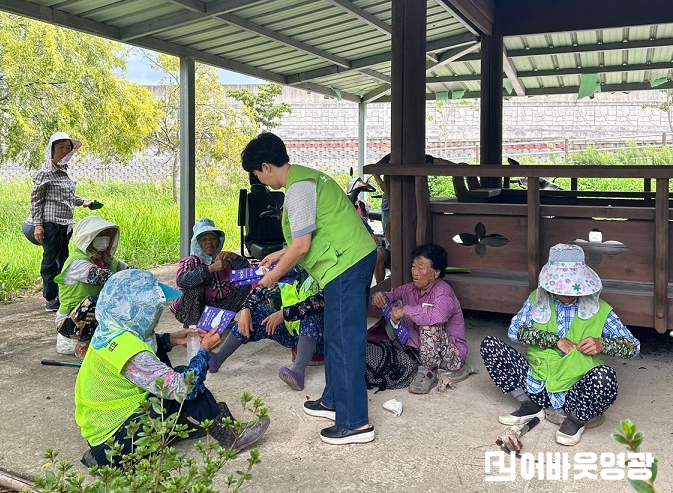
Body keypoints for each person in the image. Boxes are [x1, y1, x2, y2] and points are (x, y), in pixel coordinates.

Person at [241, 132, 377, 445]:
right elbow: (308, 235)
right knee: (333, 335)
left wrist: (270, 278)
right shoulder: (305, 179)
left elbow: (301, 246)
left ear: (266, 166)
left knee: (345, 340)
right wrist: (277, 255)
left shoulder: (298, 189)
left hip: (345, 264)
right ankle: (332, 399)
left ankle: (356, 423)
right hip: (347, 260)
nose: (261, 180)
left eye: (259, 174)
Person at [74, 269, 270, 467]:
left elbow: (145, 350)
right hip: (114, 445)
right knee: (185, 380)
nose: (155, 315)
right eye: (153, 309)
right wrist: (203, 351)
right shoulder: (131, 353)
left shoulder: (110, 329)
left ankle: (175, 427)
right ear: (135, 309)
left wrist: (171, 339)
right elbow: (184, 387)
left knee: (162, 360)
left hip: (102, 435)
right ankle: (231, 436)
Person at [480, 243, 641, 446]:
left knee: (605, 377)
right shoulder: (537, 301)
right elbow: (515, 331)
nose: (565, 291)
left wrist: (603, 344)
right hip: (536, 382)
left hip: (575, 393)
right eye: (560, 286)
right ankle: (531, 405)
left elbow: (633, 346)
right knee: (490, 345)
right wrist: (554, 339)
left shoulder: (600, 309)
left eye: (571, 285)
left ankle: (575, 420)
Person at [371, 242, 467, 394]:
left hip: (450, 355)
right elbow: (389, 297)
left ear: (436, 272)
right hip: (419, 349)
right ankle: (420, 360)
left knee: (429, 322)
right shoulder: (409, 288)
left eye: (421, 267)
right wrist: (379, 297)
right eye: (413, 266)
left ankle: (429, 371)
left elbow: (438, 315)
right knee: (394, 305)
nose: (415, 272)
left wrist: (405, 310)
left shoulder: (443, 292)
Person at [209, 266, 324, 392]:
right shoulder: (291, 270)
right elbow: (261, 290)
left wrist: (284, 314)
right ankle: (218, 358)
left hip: (322, 341)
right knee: (255, 313)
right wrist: (246, 309)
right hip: (293, 334)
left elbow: (318, 302)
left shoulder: (323, 273)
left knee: (312, 314)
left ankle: (298, 371)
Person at [23, 132, 99, 312]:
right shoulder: (45, 173)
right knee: (51, 261)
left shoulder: (66, 171)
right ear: (51, 150)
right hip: (50, 223)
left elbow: (68, 196)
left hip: (66, 223)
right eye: (60, 148)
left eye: (68, 148)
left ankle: (62, 295)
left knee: (64, 261)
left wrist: (85, 202)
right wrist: (38, 225)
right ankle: (50, 298)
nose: (64, 151)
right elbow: (36, 201)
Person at [54, 215, 130, 360]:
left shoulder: (109, 261)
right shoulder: (77, 262)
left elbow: (132, 272)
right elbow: (100, 276)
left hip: (96, 319)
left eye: (107, 235)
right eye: (99, 235)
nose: (104, 239)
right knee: (92, 302)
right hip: (70, 322)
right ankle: (83, 346)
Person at [171, 218, 251, 328]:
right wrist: (210, 268)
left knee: (245, 281)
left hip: (220, 306)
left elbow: (247, 272)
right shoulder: (191, 261)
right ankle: (193, 327)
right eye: (204, 239)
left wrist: (234, 257)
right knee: (193, 286)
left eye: (213, 238)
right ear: (197, 244)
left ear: (219, 242)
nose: (209, 242)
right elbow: (182, 280)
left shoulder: (225, 259)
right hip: (194, 310)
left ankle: (224, 319)